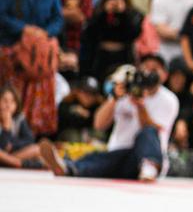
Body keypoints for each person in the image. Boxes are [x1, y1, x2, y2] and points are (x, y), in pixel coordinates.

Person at [38, 54, 180, 181]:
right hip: (118, 156)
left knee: (147, 132)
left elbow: (152, 130)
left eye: (154, 69)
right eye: (145, 68)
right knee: (99, 158)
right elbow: (99, 124)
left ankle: (149, 167)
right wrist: (114, 98)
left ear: (164, 75)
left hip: (145, 157)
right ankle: (67, 168)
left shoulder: (168, 99)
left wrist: (140, 106)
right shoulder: (125, 91)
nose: (148, 73)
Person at [0, 0, 64, 137]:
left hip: (39, 56)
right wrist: (25, 29)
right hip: (15, 50)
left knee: (39, 97)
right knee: (11, 94)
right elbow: (1, 15)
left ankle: (33, 137)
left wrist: (44, 33)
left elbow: (58, 18)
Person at [79, 0, 144, 80]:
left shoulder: (132, 12)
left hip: (123, 57)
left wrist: (124, 13)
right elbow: (87, 34)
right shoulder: (97, 9)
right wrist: (104, 13)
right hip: (100, 59)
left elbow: (134, 33)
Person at [0, 85, 41, 169]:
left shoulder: (19, 118)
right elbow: (2, 147)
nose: (8, 105)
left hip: (11, 155)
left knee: (36, 149)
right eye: (4, 100)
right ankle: (17, 163)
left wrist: (13, 146)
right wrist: (6, 128)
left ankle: (9, 163)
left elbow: (29, 139)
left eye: (12, 101)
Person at [56, 76, 107, 143]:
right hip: (69, 135)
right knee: (73, 136)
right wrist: (75, 111)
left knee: (99, 135)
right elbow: (61, 121)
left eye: (92, 94)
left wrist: (88, 115)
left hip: (90, 134)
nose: (88, 97)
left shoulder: (100, 106)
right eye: (85, 92)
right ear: (78, 91)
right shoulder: (68, 102)